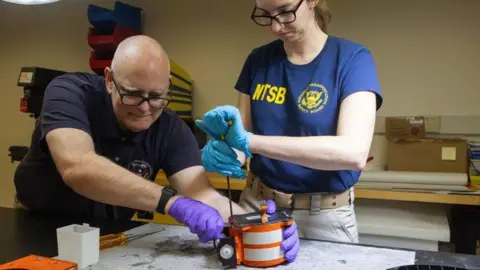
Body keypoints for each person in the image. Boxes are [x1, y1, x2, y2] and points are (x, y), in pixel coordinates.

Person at [14, 35, 262, 245]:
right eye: (133, 95)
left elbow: (204, 195)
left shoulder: (170, 128)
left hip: (110, 235)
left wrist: (258, 229)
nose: (145, 109)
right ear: (110, 80)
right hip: (40, 226)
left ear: (168, 86)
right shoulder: (69, 92)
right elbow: (78, 167)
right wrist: (170, 201)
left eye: (156, 96)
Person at [196, 0, 383, 244]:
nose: (275, 27)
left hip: (324, 216)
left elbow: (353, 152)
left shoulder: (352, 59)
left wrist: (250, 142)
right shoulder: (258, 61)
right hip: (258, 205)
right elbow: (242, 138)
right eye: (265, 15)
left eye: (285, 12)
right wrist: (226, 152)